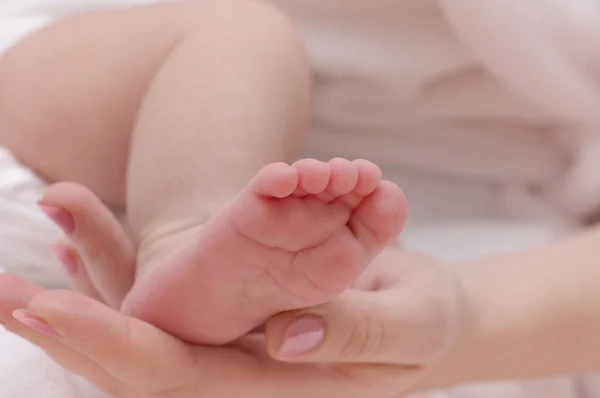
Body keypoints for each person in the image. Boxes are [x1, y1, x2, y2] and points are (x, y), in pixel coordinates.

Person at [0, 0, 407, 345]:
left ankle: (208, 259)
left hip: (109, 205)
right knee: (242, 32)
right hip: (29, 101)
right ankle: (185, 234)